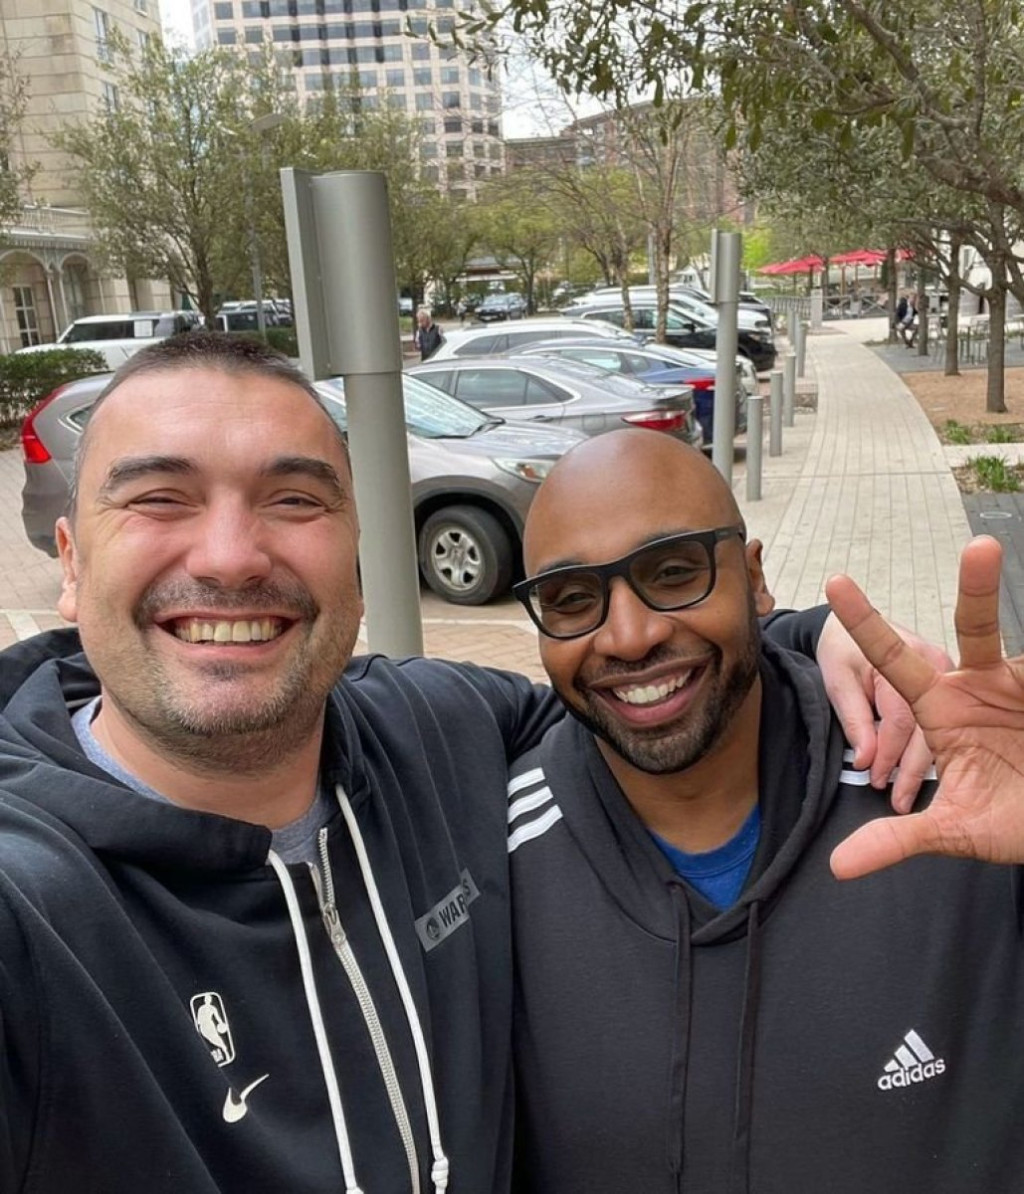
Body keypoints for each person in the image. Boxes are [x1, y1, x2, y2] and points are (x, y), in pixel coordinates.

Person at [0, 334, 929, 1192]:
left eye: (294, 499)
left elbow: (626, 688)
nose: (233, 557)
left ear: (356, 556)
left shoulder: (433, 731)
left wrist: (808, 641)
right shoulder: (30, 907)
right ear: (70, 563)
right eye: (160, 497)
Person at [507, 430, 1024, 1194]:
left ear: (754, 581)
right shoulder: (490, 860)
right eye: (572, 598)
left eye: (673, 572)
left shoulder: (954, 799)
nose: (631, 636)